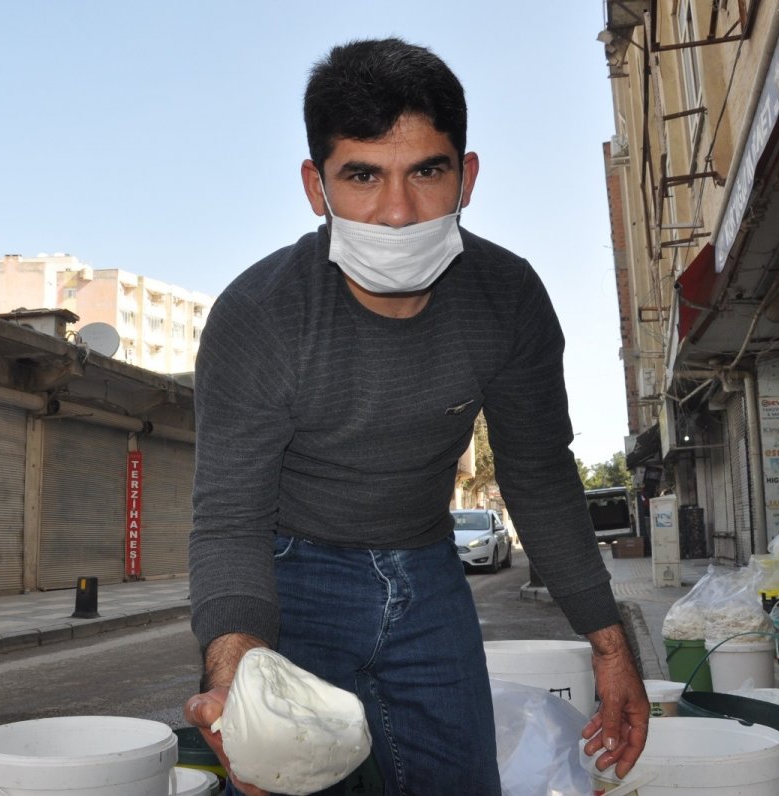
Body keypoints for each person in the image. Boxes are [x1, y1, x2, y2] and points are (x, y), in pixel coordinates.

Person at [183, 37, 648, 795]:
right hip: (291, 578)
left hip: (429, 574)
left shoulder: (509, 298)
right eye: (362, 176)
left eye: (426, 172)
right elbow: (229, 517)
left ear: (465, 176)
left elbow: (539, 476)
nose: (397, 213)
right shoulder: (259, 315)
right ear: (316, 186)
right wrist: (234, 668)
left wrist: (609, 642)